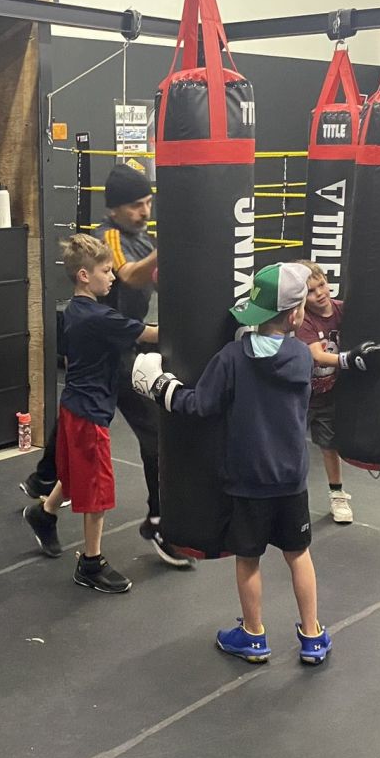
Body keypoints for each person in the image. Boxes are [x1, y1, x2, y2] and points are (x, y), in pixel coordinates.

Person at [132, 262, 332, 665]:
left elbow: (199, 404)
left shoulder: (232, 358)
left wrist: (159, 386)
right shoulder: (300, 355)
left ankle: (254, 636)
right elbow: (274, 355)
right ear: (296, 315)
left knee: (248, 558)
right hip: (291, 478)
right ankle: (312, 636)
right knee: (298, 554)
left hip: (248, 479)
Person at [21, 165, 192, 568]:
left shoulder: (143, 237)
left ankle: (43, 494)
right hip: (114, 349)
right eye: (136, 205)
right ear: (114, 209)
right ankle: (157, 523)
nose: (145, 211)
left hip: (117, 349)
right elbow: (129, 275)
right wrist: (166, 248)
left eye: (148, 203)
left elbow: (154, 277)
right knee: (146, 433)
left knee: (79, 429)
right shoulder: (109, 237)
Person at [24, 234, 158, 593]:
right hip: (89, 413)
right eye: (106, 271)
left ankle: (43, 513)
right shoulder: (101, 318)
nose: (112, 277)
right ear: (84, 275)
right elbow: (150, 334)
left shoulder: (73, 309)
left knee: (73, 473)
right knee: (97, 490)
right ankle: (91, 563)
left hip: (73, 405)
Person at [296, 264, 353, 523]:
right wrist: (350, 360)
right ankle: (288, 496)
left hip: (327, 394)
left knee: (330, 446)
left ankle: (337, 494)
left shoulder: (344, 310)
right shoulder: (304, 319)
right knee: (291, 447)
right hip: (299, 397)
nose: (319, 293)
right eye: (311, 291)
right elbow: (318, 355)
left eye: (321, 285)